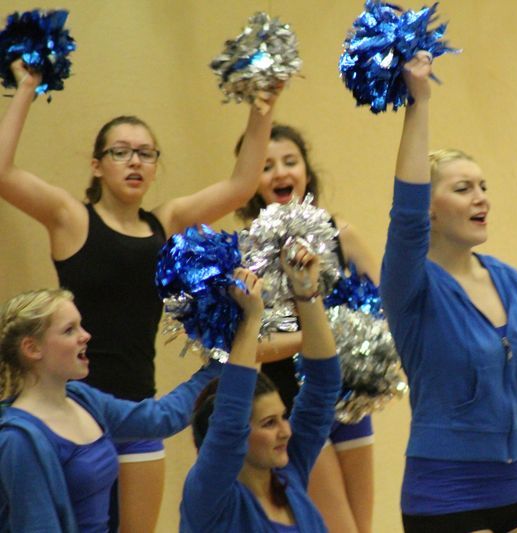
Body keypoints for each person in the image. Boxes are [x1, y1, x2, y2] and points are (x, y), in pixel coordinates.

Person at [0, 59, 278, 532]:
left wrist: (263, 108)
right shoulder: (71, 218)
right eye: (121, 152)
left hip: (138, 415)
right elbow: (3, 172)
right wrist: (26, 86)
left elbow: (241, 186)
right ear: (97, 165)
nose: (135, 162)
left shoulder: (164, 223)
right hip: (71, 412)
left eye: (146, 154)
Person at [381, 51, 517, 532]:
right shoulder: (412, 285)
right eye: (463, 189)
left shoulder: (508, 279)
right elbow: (405, 214)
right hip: (446, 494)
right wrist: (419, 102)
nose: (481, 197)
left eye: (483, 186)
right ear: (430, 208)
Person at [234, 124, 378, 532]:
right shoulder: (245, 252)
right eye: (266, 166)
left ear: (306, 171)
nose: (280, 172)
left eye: (290, 162)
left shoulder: (342, 235)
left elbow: (387, 317)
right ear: (250, 180)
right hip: (293, 407)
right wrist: (318, 339)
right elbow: (248, 346)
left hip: (350, 404)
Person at [0, 288, 221, 532]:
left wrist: (222, 359)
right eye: (69, 330)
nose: (85, 336)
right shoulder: (18, 439)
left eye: (81, 326)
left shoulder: (82, 399)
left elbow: (161, 418)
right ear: (32, 348)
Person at [180, 254, 341, 532]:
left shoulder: (288, 475)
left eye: (282, 418)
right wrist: (252, 318)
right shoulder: (209, 499)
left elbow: (323, 387)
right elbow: (230, 423)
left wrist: (307, 292)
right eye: (269, 423)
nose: (286, 431)